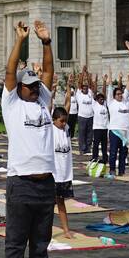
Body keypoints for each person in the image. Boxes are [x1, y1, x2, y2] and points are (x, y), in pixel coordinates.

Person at [0, 19, 58, 258]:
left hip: (46, 181)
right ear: (19, 89)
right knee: (16, 238)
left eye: (36, 86)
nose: (34, 89)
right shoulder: (12, 105)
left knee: (41, 238)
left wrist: (46, 42)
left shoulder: (43, 101)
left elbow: (48, 71)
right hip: (21, 181)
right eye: (29, 86)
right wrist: (20, 40)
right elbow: (11, 71)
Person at [52, 81, 75, 240]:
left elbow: (67, 104)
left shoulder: (65, 128)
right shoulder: (50, 128)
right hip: (54, 174)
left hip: (65, 175)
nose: (64, 123)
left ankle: (66, 230)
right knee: (46, 205)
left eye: (65, 121)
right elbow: (48, 107)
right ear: (54, 120)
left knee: (61, 203)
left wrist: (68, 87)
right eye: (61, 121)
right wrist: (50, 91)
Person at [106, 83, 129, 176]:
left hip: (125, 132)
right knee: (113, 152)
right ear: (114, 96)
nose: (120, 95)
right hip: (115, 131)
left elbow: (128, 89)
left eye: (121, 94)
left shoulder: (125, 102)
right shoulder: (111, 102)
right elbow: (109, 89)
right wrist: (110, 78)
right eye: (118, 94)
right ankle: (112, 170)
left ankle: (121, 171)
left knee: (123, 153)